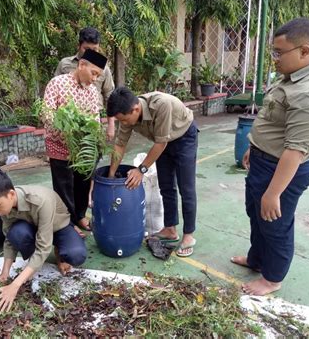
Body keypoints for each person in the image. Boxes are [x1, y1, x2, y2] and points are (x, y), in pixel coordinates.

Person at [231, 18, 309, 295]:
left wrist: (274, 192)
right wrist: (254, 147)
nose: (274, 59)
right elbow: (273, 122)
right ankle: (256, 260)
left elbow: (295, 149)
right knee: (256, 216)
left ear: (304, 51)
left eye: (279, 52)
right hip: (265, 161)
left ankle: (272, 278)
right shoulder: (290, 78)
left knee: (275, 225)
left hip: (283, 170)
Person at [106, 87, 199, 257]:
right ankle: (170, 229)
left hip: (184, 137)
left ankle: (188, 236)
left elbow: (160, 143)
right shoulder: (127, 115)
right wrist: (111, 175)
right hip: (163, 141)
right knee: (166, 186)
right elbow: (120, 144)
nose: (124, 124)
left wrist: (141, 170)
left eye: (125, 120)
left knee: (186, 188)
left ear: (135, 109)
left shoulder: (161, 105)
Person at [0, 172, 87, 313]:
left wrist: (15, 285)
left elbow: (43, 248)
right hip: (35, 229)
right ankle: (33, 265)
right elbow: (9, 239)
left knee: (76, 255)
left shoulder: (40, 200)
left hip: (58, 227)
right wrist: (4, 273)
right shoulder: (5, 206)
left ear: (11, 194)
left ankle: (59, 250)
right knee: (16, 234)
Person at [44, 48, 108, 233]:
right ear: (81, 65)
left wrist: (93, 136)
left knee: (83, 183)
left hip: (82, 148)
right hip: (59, 145)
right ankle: (66, 225)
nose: (95, 78)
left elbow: (95, 118)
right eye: (93, 73)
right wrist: (66, 129)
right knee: (64, 188)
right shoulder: (57, 83)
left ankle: (79, 216)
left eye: (98, 75)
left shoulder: (92, 92)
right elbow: (47, 114)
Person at [55, 27, 115, 141]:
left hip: (93, 120)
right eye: (86, 49)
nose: (91, 53)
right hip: (68, 122)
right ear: (79, 46)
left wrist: (111, 125)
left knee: (90, 155)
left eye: (95, 49)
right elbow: (54, 92)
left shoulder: (104, 69)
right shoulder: (65, 64)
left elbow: (110, 96)